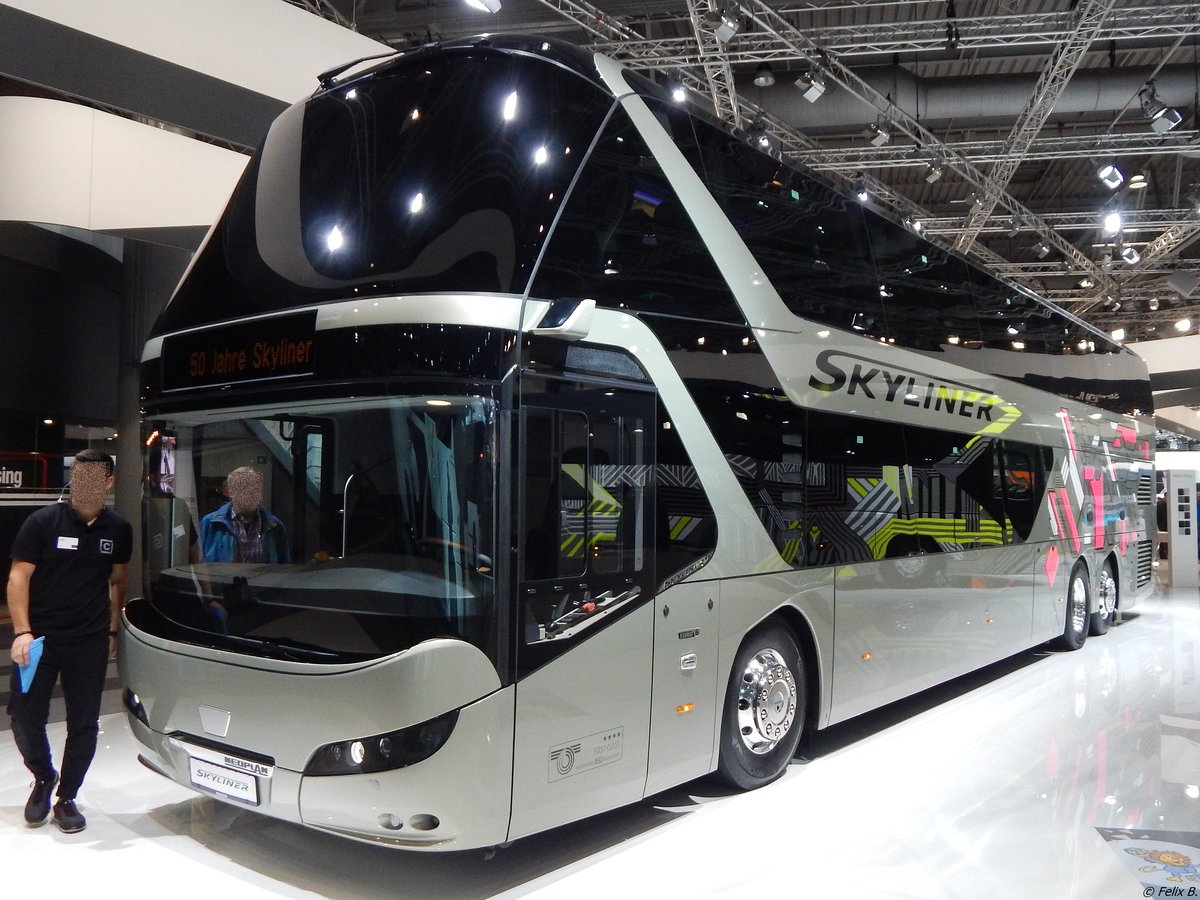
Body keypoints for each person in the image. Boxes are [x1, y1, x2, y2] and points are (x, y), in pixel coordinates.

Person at [7, 448, 132, 833]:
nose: (85, 485)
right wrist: (22, 631)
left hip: (89, 640)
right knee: (25, 717)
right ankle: (44, 776)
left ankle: (67, 797)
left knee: (84, 723)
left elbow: (118, 581)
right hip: (39, 640)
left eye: (94, 478)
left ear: (108, 482)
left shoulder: (119, 529)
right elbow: (18, 577)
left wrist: (112, 629)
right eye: (79, 477)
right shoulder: (42, 522)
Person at [199, 467, 290, 563]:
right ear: (230, 492)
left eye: (254, 488)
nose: (248, 493)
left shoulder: (275, 526)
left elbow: (284, 568)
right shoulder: (209, 524)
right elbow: (199, 563)